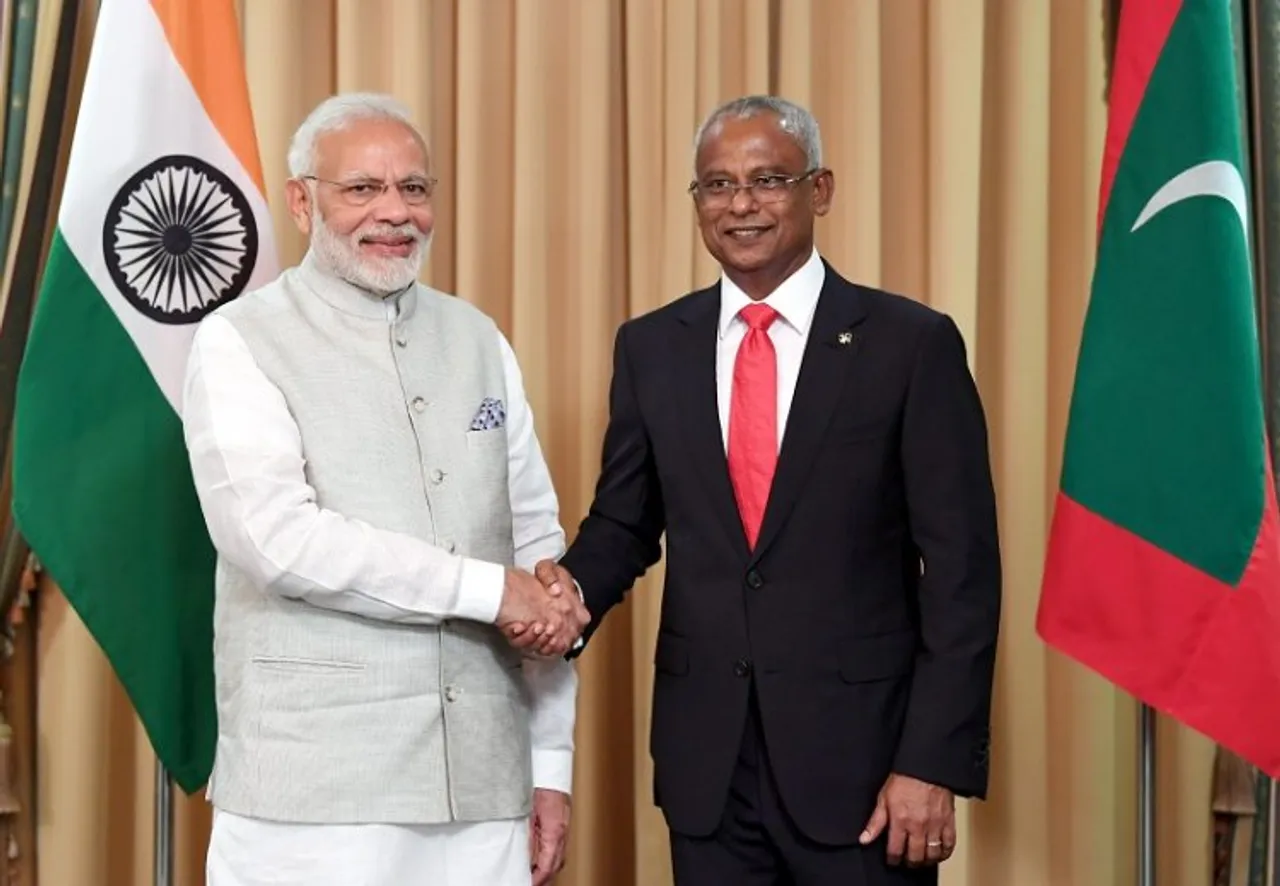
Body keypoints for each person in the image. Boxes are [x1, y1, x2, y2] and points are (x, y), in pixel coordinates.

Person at [516, 95, 1002, 884]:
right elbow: (626, 523)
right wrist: (561, 598)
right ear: (697, 203)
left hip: (869, 774)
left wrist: (931, 762)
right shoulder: (651, 348)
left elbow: (963, 575)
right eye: (716, 185)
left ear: (821, 189)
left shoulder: (911, 346)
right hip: (709, 769)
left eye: (768, 179)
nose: (740, 204)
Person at [182, 92, 589, 886]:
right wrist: (487, 590)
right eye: (361, 189)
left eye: (414, 188)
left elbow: (535, 545)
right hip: (314, 797)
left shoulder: (479, 337)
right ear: (302, 201)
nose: (394, 213)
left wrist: (550, 761)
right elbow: (278, 542)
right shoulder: (238, 340)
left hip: (484, 788)